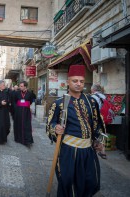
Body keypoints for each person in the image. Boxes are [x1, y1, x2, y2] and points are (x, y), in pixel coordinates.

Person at [46, 65, 106, 197]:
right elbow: (50, 124)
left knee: (91, 181)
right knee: (68, 183)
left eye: (81, 81)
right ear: (68, 82)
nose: (78, 84)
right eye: (75, 81)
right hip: (69, 150)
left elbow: (96, 122)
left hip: (88, 150)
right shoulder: (59, 103)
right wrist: (55, 128)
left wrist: (98, 140)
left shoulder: (91, 101)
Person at [13, 81, 36, 147]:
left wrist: (27, 105)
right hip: (18, 111)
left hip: (26, 111)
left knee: (27, 125)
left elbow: (31, 101)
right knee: (18, 124)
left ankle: (27, 140)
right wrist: (16, 108)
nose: (20, 87)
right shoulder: (17, 93)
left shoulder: (30, 93)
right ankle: (18, 139)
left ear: (25, 86)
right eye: (20, 86)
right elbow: (14, 101)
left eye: (21, 86)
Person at [91, 84, 107, 159]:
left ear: (93, 89)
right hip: (104, 118)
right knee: (102, 133)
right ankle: (103, 151)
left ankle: (95, 148)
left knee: (95, 133)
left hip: (97, 118)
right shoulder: (104, 96)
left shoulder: (93, 97)